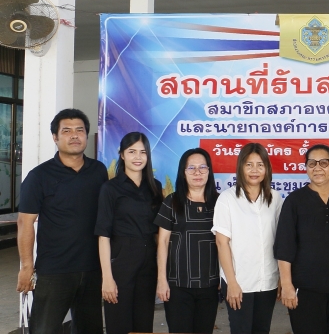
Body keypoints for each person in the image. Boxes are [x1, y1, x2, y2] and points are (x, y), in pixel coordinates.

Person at [17, 109, 108, 333]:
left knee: (90, 329)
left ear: (86, 135)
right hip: (54, 270)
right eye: (66, 131)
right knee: (44, 329)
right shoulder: (39, 176)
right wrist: (27, 267)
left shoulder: (98, 171)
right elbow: (25, 223)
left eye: (80, 130)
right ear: (55, 137)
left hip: (92, 268)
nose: (74, 135)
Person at [275, 144, 329, 334]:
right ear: (306, 167)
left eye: (323, 163)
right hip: (305, 289)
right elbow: (285, 245)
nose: (317, 168)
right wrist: (287, 285)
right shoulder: (294, 201)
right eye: (312, 163)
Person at [95, 132, 164, 334]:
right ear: (122, 155)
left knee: (144, 325)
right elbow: (103, 236)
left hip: (148, 263)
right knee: (119, 324)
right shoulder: (110, 189)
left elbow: (159, 233)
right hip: (121, 262)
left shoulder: (155, 187)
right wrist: (107, 278)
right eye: (132, 151)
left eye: (143, 152)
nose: (138, 157)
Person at [212, 143, 283, 334]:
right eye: (249, 165)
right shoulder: (227, 199)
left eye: (260, 165)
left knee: (262, 329)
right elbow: (222, 242)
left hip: (268, 280)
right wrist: (232, 283)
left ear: (267, 168)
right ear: (240, 167)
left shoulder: (275, 198)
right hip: (239, 281)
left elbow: (281, 240)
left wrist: (281, 278)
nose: (254, 170)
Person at [155, 148, 220, 334]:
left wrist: (224, 279)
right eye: (191, 168)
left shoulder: (220, 203)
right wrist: (161, 280)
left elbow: (226, 243)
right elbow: (163, 242)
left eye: (202, 167)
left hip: (210, 284)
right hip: (178, 285)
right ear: (183, 173)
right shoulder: (172, 201)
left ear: (209, 171)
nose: (197, 172)